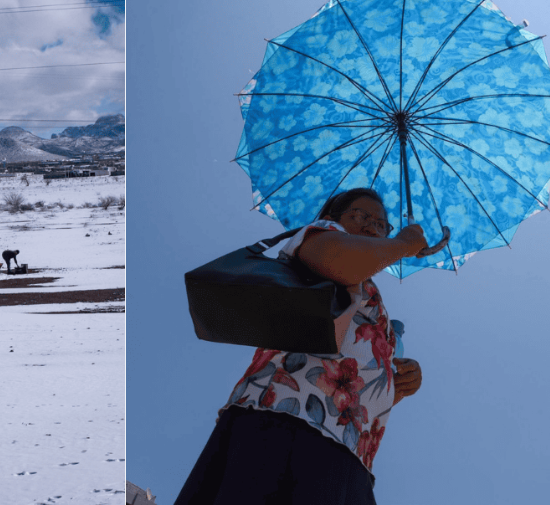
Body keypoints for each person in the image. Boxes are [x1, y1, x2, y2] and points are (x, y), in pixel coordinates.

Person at [175, 188, 426, 504]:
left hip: (351, 451)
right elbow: (336, 262)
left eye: (381, 224)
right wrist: (403, 243)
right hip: (286, 424)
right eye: (361, 215)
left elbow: (355, 375)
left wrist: (398, 385)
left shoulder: (369, 290)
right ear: (331, 218)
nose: (372, 226)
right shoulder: (320, 235)